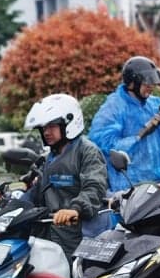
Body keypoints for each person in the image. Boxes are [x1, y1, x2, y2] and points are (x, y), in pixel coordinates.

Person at [23, 93, 108, 259]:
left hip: (80, 234)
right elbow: (38, 192)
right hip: (51, 233)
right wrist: (15, 205)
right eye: (43, 128)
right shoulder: (49, 158)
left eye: (52, 126)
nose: (46, 132)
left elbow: (94, 186)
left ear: (69, 123)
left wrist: (75, 209)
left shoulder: (87, 151)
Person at [89, 55, 160, 190]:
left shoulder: (155, 103)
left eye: (152, 83)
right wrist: (139, 136)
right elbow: (102, 145)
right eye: (146, 83)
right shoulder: (113, 107)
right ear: (132, 83)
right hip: (130, 185)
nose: (151, 87)